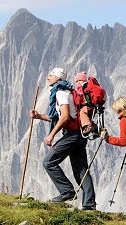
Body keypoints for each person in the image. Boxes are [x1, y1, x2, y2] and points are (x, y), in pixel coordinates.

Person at [29, 68, 96, 210]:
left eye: (51, 75)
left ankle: (67, 191)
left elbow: (65, 117)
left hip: (72, 135)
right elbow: (60, 116)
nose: (48, 77)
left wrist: (51, 135)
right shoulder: (68, 92)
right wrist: (39, 116)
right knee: (81, 170)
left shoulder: (60, 93)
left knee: (48, 162)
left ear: (58, 78)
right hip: (79, 135)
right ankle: (89, 205)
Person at [74, 71, 97, 135]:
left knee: (82, 113)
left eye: (80, 80)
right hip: (91, 107)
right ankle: (94, 126)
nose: (78, 82)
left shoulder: (84, 88)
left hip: (88, 106)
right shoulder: (82, 89)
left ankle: (88, 126)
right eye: (77, 81)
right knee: (86, 117)